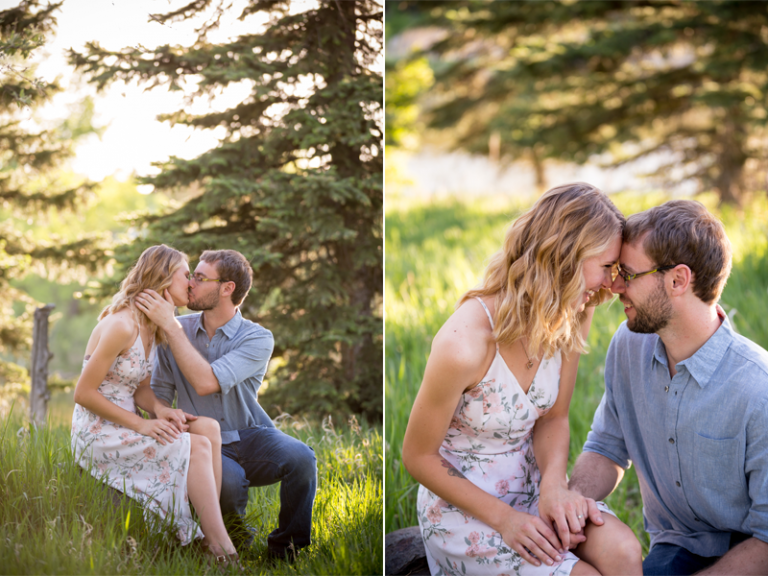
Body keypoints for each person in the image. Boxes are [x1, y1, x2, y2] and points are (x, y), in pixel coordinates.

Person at [402, 183, 643, 576]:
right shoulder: (464, 344)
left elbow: (554, 417)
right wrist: (506, 520)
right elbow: (418, 456)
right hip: (467, 511)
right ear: (566, 256)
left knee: (624, 551)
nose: (612, 284)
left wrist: (554, 487)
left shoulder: (573, 313)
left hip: (535, 488)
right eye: (606, 267)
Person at [569, 200, 768, 576]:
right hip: (675, 545)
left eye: (628, 274)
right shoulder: (629, 346)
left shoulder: (758, 389)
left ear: (678, 280)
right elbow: (606, 449)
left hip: (750, 555)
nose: (615, 286)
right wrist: (570, 502)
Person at [135, 249, 317, 562]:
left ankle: (286, 551)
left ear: (227, 288)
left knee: (302, 458)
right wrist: (167, 427)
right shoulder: (174, 328)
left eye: (200, 277)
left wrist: (171, 327)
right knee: (229, 483)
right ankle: (236, 542)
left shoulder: (256, 338)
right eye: (192, 275)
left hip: (250, 434)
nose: (190, 283)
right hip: (203, 440)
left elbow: (206, 382)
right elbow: (158, 393)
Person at [71, 244, 239, 564]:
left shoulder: (151, 325)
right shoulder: (122, 325)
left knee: (207, 428)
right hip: (99, 431)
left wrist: (161, 410)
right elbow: (83, 394)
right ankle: (220, 549)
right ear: (163, 278)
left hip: (127, 419)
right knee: (197, 446)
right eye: (186, 275)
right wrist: (143, 424)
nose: (191, 283)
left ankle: (208, 530)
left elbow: (140, 387)